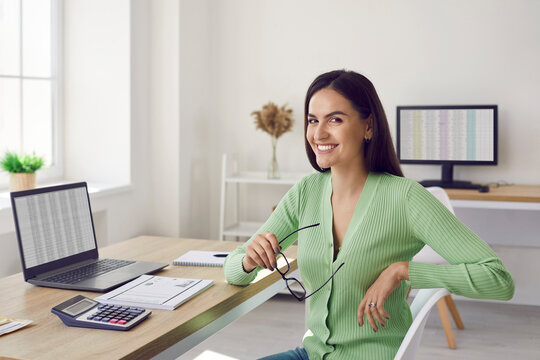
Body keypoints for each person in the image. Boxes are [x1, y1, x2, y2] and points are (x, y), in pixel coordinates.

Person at [223, 70, 514, 360]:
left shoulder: (406, 198)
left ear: (368, 126)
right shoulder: (305, 192)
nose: (319, 133)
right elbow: (233, 270)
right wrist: (249, 260)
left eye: (335, 119)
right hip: (311, 355)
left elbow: (499, 280)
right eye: (313, 120)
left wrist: (403, 271)